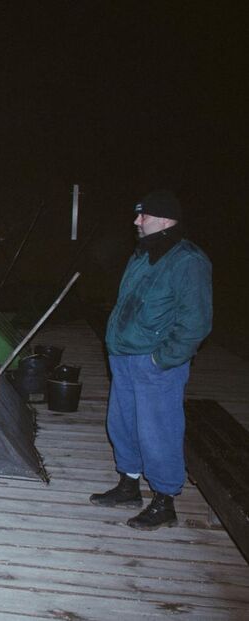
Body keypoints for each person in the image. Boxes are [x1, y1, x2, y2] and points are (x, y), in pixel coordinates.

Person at [91, 190, 212, 530]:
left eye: (142, 215)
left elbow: (196, 323)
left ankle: (164, 500)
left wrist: (162, 360)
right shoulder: (143, 255)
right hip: (124, 357)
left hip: (155, 364)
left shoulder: (189, 260)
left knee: (159, 432)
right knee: (123, 424)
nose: (136, 221)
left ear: (164, 219)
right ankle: (129, 486)